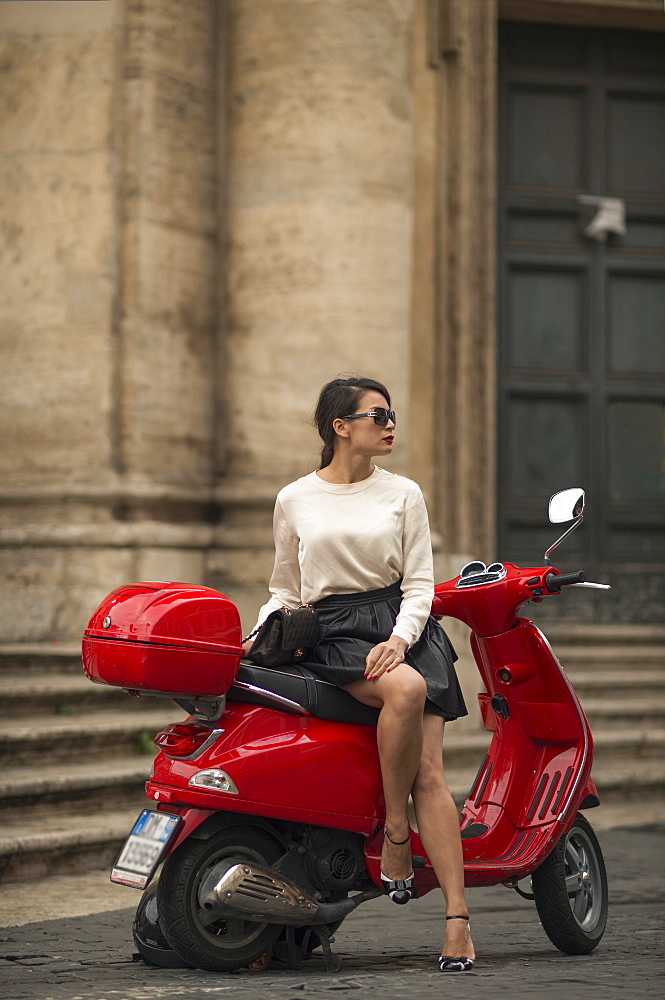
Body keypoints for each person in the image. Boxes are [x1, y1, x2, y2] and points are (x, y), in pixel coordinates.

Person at [246, 376, 475, 973]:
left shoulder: (404, 493)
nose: (391, 423)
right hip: (334, 629)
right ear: (339, 427)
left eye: (392, 413)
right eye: (379, 415)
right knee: (405, 689)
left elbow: (421, 582)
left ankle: (457, 921)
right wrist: (262, 631)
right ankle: (395, 834)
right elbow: (285, 587)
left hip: (401, 622)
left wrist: (401, 638)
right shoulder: (295, 498)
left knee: (431, 772)